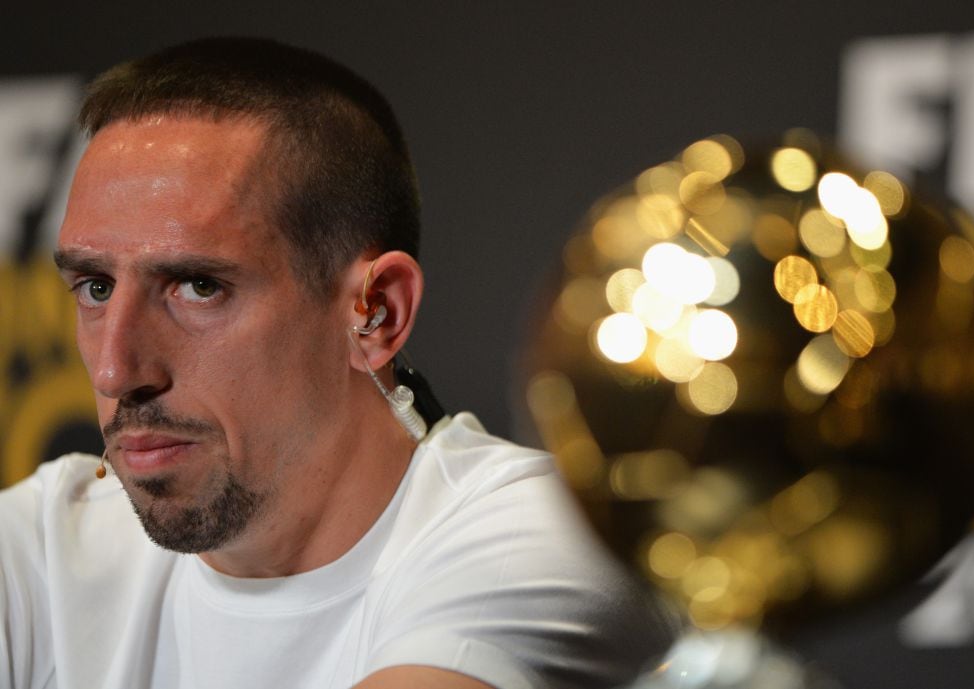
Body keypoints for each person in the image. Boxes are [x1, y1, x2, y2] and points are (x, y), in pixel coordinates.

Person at [0, 37, 675, 689]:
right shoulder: (44, 545)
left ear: (375, 313)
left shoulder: (538, 533)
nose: (117, 372)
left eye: (199, 287)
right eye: (95, 287)